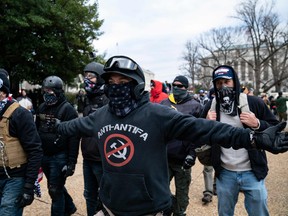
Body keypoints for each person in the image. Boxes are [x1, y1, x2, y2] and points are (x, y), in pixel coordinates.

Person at [55, 56, 288, 216]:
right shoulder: (101, 116)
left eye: (123, 82)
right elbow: (74, 127)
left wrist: (253, 139)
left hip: (150, 208)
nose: (116, 86)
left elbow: (205, 128)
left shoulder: (158, 115)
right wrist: (56, 126)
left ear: (136, 86)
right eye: (111, 82)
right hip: (109, 206)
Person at [201, 65, 282, 216]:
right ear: (214, 85)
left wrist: (257, 123)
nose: (223, 86)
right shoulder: (210, 108)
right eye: (219, 83)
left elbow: (275, 127)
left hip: (253, 172)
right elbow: (196, 134)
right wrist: (205, 123)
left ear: (235, 82)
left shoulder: (253, 103)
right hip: (225, 173)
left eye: (227, 81)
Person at [0, 69, 43, 215]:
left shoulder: (20, 114)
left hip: (15, 178)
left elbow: (35, 150)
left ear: (3, 92)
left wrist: (29, 186)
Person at [35, 76, 80, 216]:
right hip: (44, 155)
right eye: (45, 91)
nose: (47, 94)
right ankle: (70, 207)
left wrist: (72, 162)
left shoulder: (68, 110)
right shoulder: (41, 107)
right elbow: (36, 130)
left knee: (54, 190)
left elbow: (74, 138)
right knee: (56, 187)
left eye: (51, 91)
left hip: (60, 156)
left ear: (59, 91)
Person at [160, 75, 202, 216]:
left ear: (186, 88)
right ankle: (168, 209)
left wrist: (192, 153)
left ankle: (179, 212)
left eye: (180, 86)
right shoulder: (164, 104)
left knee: (182, 194)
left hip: (183, 159)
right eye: (174, 85)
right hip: (164, 157)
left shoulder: (196, 105)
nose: (177, 88)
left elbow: (198, 133)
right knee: (160, 190)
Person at [81, 61, 109, 216]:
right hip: (87, 157)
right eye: (85, 76)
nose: (87, 79)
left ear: (100, 78)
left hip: (102, 159)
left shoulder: (107, 99)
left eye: (91, 76)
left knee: (105, 196)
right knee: (89, 195)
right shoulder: (87, 98)